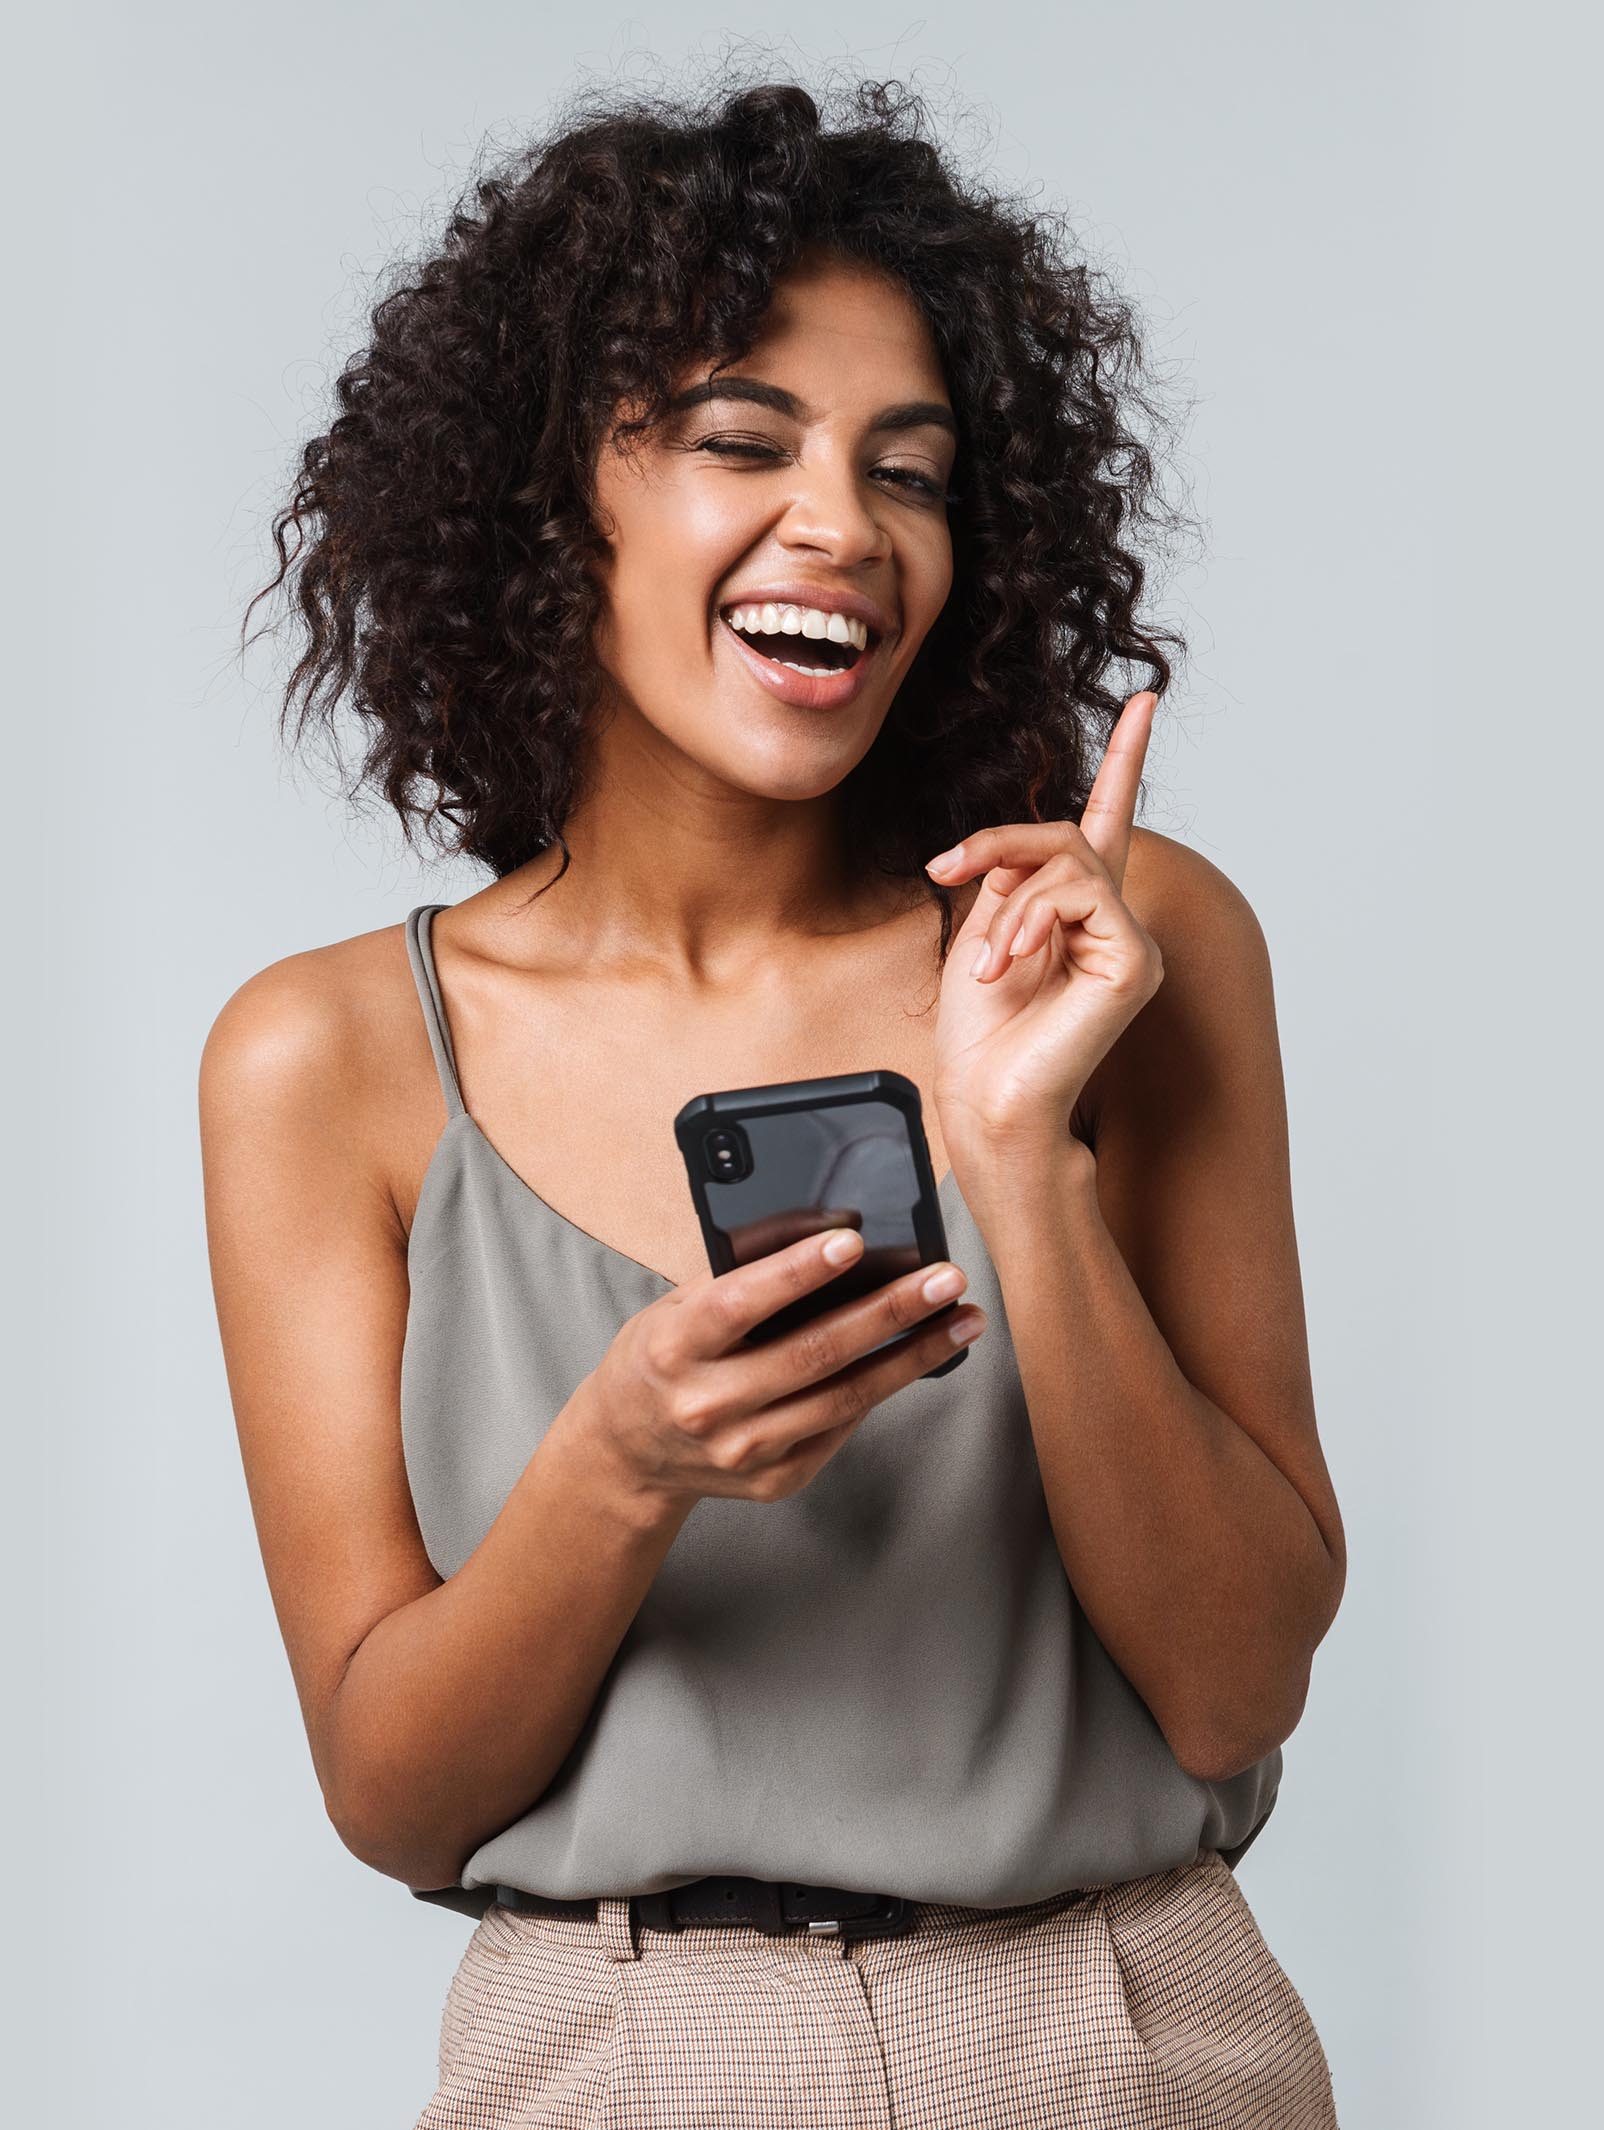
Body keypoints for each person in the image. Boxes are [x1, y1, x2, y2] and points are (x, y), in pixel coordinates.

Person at [202, 72, 1346, 2129]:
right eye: (745, 440)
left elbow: (1235, 1682)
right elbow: (393, 1798)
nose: (843, 522)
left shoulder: (1115, 944)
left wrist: (1021, 1158)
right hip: (619, 2058)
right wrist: (618, 1468)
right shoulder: (331, 1059)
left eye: (907, 470)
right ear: (558, 497)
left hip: (1119, 2031)